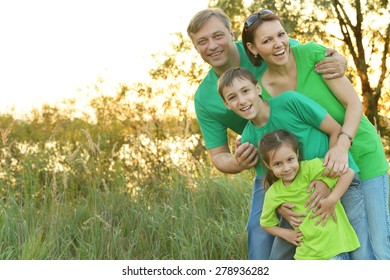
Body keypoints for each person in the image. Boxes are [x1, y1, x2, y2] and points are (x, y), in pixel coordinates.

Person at [187, 7, 349, 260]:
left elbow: (304, 53)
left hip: (314, 154)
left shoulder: (260, 46)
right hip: (273, 169)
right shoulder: (204, 98)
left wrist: (340, 59)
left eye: (218, 36)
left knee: (327, 228)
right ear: (196, 48)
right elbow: (218, 155)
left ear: (232, 34)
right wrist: (238, 161)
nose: (212, 45)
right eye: (202, 42)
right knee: (260, 234)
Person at [242, 9, 390, 259]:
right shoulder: (262, 93)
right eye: (267, 40)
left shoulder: (312, 55)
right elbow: (280, 147)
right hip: (326, 173)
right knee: (352, 250)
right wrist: (283, 203)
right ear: (253, 48)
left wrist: (342, 147)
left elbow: (354, 104)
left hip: (360, 153)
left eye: (281, 35)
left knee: (379, 245)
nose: (278, 44)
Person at [217, 66, 372, 259]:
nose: (242, 100)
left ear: (258, 89)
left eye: (245, 91)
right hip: (305, 199)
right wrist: (280, 206)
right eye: (232, 97)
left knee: (361, 253)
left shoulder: (290, 101)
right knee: (284, 258)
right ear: (226, 104)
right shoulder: (249, 139)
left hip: (340, 180)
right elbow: (273, 181)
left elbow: (335, 130)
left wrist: (326, 182)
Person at [259, 130, 359, 260]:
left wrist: (331, 200)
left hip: (334, 249)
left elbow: (348, 172)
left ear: (297, 154)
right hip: (305, 255)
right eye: (278, 164)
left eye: (290, 159)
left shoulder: (310, 168)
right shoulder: (273, 193)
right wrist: (286, 234)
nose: (286, 168)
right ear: (268, 165)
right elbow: (265, 223)